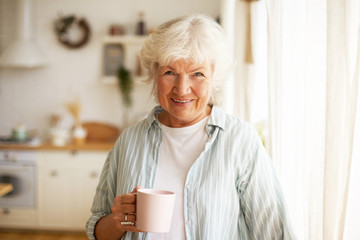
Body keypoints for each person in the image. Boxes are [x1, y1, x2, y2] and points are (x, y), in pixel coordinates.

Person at [86, 13, 296, 240]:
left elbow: (275, 231)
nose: (182, 88)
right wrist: (117, 221)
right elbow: (97, 230)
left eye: (197, 74)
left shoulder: (240, 140)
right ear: (154, 74)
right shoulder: (130, 140)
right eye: (169, 73)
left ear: (213, 78)